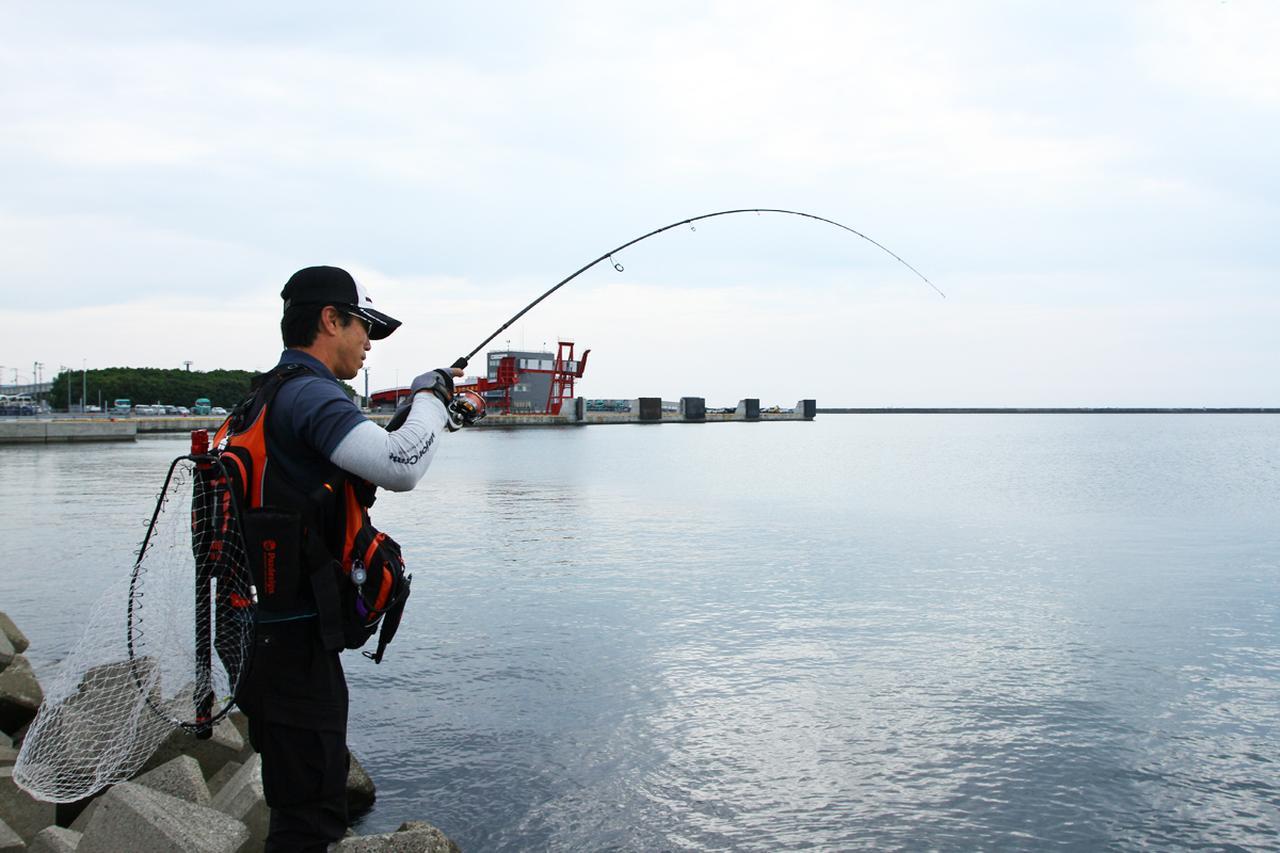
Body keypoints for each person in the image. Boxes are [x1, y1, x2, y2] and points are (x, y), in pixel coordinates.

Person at [232, 265, 471, 852]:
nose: (368, 344)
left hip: (260, 636)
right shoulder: (311, 392)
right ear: (329, 320)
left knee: (300, 799)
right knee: (311, 816)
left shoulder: (270, 394)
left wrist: (424, 402)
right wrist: (432, 401)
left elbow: (353, 468)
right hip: (292, 647)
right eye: (363, 328)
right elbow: (399, 466)